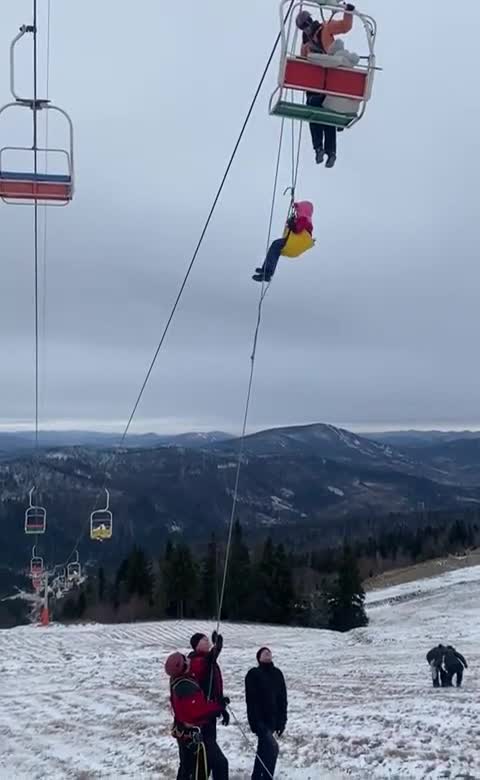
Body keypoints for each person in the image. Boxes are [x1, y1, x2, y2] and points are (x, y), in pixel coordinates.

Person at [296, 4, 356, 168]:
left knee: (327, 111)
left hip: (331, 80)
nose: (307, 29)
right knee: (315, 109)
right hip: (316, 85)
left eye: (307, 24)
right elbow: (303, 67)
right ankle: (319, 149)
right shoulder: (306, 47)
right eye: (303, 27)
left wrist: (348, 12)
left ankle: (331, 152)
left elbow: (345, 26)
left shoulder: (326, 28)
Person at [165, 651, 229, 780]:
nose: (188, 660)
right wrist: (219, 706)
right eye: (185, 659)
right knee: (211, 767)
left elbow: (201, 665)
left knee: (186, 769)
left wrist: (213, 653)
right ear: (183, 666)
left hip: (183, 733)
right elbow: (198, 712)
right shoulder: (185, 686)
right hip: (194, 736)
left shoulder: (179, 679)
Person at [245, 647, 287, 779]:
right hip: (260, 721)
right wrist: (255, 722)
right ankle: (267, 777)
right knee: (273, 748)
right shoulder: (253, 674)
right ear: (258, 657)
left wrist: (282, 721)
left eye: (269, 651)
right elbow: (250, 700)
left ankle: (257, 777)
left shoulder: (278, 673)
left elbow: (282, 698)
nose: (267, 652)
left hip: (274, 720)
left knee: (263, 751)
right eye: (264, 652)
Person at [252, 201, 314, 283]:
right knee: (276, 248)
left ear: (303, 209)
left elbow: (297, 229)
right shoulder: (304, 219)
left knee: (275, 245)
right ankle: (267, 272)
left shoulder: (304, 218)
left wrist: (291, 224)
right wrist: (292, 222)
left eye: (298, 209)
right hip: (297, 244)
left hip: (297, 242)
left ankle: (267, 272)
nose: (297, 211)